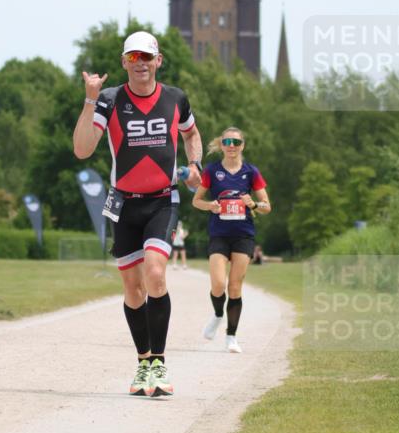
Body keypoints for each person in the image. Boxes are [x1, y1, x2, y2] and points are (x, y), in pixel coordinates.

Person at [73, 30, 202, 397]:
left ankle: (159, 364)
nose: (140, 63)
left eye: (146, 57)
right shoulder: (110, 100)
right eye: (133, 57)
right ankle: (143, 363)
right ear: (124, 62)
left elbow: (192, 134)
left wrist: (195, 164)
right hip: (124, 203)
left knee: (156, 274)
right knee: (133, 288)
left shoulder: (176, 98)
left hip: (163, 200)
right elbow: (82, 149)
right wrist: (90, 99)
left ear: (158, 60)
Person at [192, 127, 271, 353]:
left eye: (236, 142)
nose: (231, 146)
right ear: (222, 145)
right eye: (227, 142)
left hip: (243, 235)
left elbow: (267, 206)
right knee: (218, 285)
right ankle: (218, 315)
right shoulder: (212, 170)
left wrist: (253, 204)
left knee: (235, 287)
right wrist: (210, 206)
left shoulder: (251, 172)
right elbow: (196, 201)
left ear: (242, 145)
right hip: (219, 233)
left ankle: (231, 337)